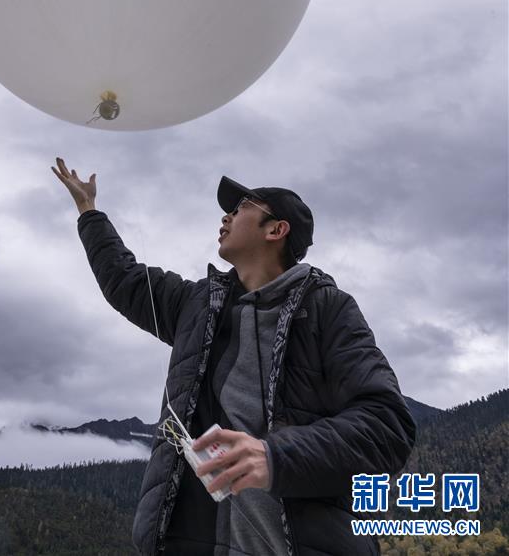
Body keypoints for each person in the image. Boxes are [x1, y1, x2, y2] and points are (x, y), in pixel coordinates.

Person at [52, 157, 415, 556]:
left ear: (276, 229)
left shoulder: (329, 309)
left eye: (241, 208)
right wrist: (89, 211)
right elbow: (125, 279)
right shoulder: (197, 305)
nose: (225, 216)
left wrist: (274, 456)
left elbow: (387, 427)